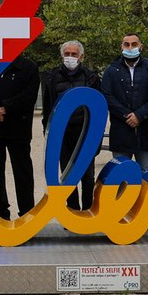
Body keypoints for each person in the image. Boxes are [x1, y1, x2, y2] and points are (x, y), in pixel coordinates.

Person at [99, 33, 148, 230]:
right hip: (121, 130)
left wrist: (140, 115)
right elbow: (106, 96)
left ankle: (146, 216)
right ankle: (121, 213)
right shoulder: (111, 70)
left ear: (141, 46)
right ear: (121, 46)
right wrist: (127, 115)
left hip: (145, 130)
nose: (130, 46)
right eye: (126, 44)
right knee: (121, 174)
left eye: (134, 44)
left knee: (145, 174)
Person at [0, 54, 40, 220]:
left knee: (23, 172)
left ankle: (26, 212)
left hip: (18, 128)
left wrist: (5, 108)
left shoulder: (29, 67)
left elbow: (29, 96)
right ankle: (0, 212)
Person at [43, 40, 102, 211]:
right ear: (62, 55)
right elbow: (48, 109)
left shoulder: (91, 77)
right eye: (67, 54)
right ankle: (73, 210)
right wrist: (48, 134)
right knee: (67, 175)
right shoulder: (52, 77)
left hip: (85, 134)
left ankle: (88, 210)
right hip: (62, 134)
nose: (70, 57)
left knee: (88, 176)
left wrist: (96, 140)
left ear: (81, 57)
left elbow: (98, 109)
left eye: (74, 54)